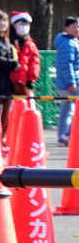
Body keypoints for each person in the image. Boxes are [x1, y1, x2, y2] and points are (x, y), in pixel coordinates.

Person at [53, 16, 79, 146]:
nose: (77, 29)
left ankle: (64, 135)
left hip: (68, 81)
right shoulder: (67, 43)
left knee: (67, 109)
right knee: (69, 109)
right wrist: (71, 82)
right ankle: (66, 135)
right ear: (67, 27)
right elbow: (66, 64)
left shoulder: (69, 41)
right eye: (74, 26)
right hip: (71, 82)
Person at [9, 11, 41, 102]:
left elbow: (35, 63)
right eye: (21, 24)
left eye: (26, 24)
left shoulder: (31, 44)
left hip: (25, 85)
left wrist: (31, 80)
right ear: (14, 25)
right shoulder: (8, 42)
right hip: (9, 84)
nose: (24, 27)